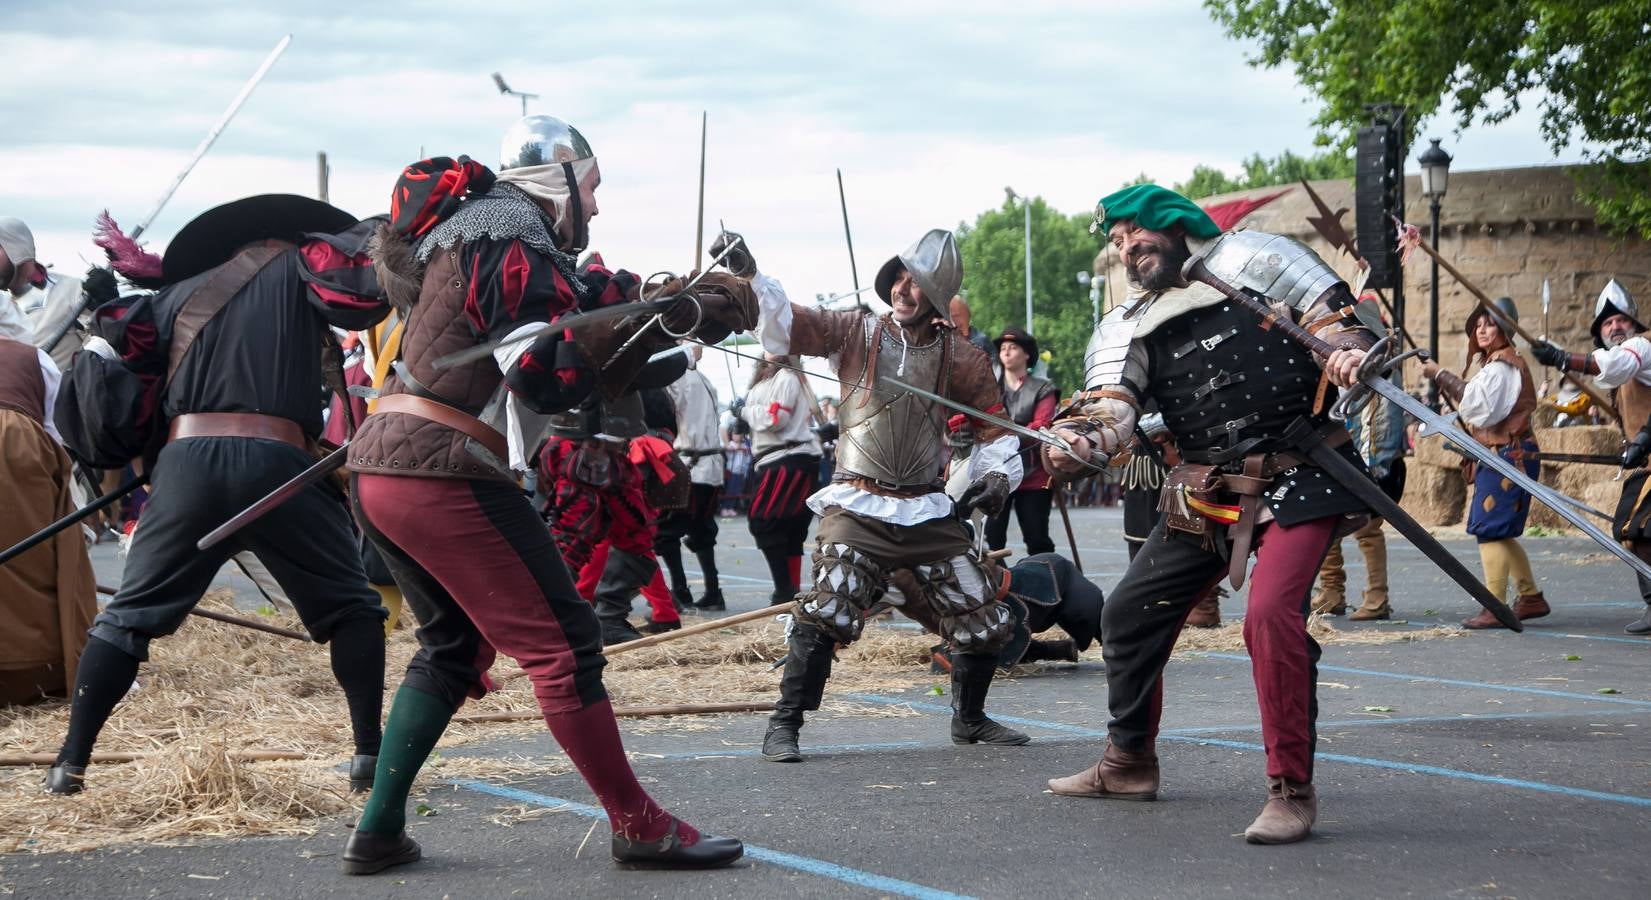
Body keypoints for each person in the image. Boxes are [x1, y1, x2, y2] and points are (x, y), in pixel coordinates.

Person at [340, 118, 742, 874]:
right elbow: (543, 373)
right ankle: (639, 824)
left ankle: (379, 830)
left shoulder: (479, 232)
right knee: (565, 646)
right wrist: (646, 326)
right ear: (559, 178)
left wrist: (677, 330)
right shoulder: (510, 231)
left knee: (453, 648)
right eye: (592, 188)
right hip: (438, 467)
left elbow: (592, 356)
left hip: (385, 467)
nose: (596, 207)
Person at [1044, 184, 1374, 845]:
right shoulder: (1125, 322)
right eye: (1115, 242)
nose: (1124, 250)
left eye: (1134, 236)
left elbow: (1339, 319)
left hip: (1299, 467)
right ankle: (1128, 761)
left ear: (1169, 227)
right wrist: (1075, 442)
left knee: (1268, 615)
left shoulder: (1256, 258)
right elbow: (1107, 406)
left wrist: (1349, 353)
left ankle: (1290, 790)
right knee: (1125, 613)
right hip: (1209, 487)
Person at [45, 195, 392, 797]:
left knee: (126, 621)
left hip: (185, 466)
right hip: (277, 465)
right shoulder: (304, 268)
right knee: (352, 611)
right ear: (294, 240)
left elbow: (132, 382)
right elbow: (365, 292)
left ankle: (68, 765)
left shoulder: (172, 300)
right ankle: (370, 759)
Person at [703, 227, 1032, 762]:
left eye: (916, 283)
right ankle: (784, 724)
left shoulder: (962, 357)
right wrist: (751, 275)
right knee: (826, 610)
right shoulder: (854, 332)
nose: (903, 289)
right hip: (859, 503)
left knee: (981, 613)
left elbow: (995, 430)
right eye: (898, 278)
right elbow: (788, 324)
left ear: (935, 295)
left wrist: (996, 478)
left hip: (927, 508)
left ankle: (969, 719)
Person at [1531, 279, 1649, 633]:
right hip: (1645, 463)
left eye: (1621, 320)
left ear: (1634, 323)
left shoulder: (1642, 347)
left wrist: (1564, 359)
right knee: (1634, 532)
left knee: (1638, 527)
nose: (1615, 327)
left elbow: (1615, 364)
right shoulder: (1623, 368)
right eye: (1608, 323)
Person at [1422, 298, 1547, 629]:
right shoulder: (1495, 366)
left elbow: (1479, 408)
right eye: (1478, 325)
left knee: (1489, 530)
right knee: (1499, 532)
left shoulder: (1503, 366)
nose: (1482, 329)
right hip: (1504, 454)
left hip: (1508, 456)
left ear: (1506, 328)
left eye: (1490, 323)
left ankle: (1495, 606)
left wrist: (1440, 374)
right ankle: (1531, 597)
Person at [0, 335, 96, 705]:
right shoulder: (31, 357)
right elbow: (57, 435)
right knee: (55, 554)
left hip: (16, 444)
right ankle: (75, 662)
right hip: (16, 445)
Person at [744, 353, 823, 606]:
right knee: (788, 529)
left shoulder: (786, 377)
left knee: (764, 521)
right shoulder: (770, 381)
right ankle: (790, 593)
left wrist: (744, 411)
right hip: (781, 459)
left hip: (786, 459)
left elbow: (776, 419)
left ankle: (784, 591)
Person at [658, 344, 726, 610]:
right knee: (701, 529)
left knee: (667, 531)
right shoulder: (704, 380)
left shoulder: (679, 378)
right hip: (706, 467)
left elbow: (664, 414)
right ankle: (711, 591)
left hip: (690, 466)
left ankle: (681, 591)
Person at [984, 326, 1058, 557]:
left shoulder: (1043, 388)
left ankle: (1046, 584)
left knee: (1037, 538)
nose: (1006, 352)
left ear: (1027, 354)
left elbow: (1040, 427)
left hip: (1033, 475)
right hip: (996, 472)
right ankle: (997, 588)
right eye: (1003, 348)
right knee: (991, 539)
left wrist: (1001, 434)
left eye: (1013, 347)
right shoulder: (988, 388)